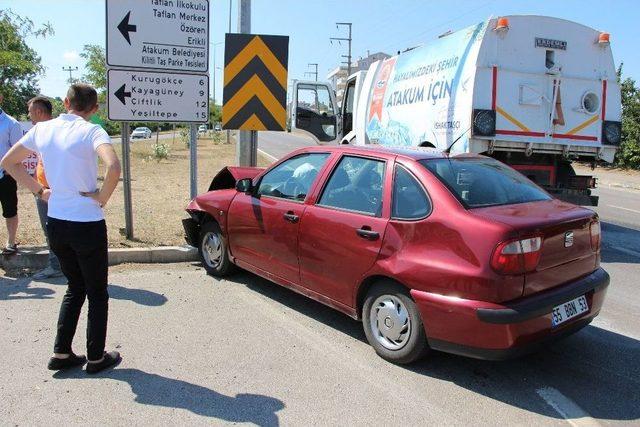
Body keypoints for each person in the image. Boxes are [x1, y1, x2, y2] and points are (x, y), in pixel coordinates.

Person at [1, 84, 122, 374]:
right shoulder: (92, 131)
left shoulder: (43, 129)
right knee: (97, 291)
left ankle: (62, 351)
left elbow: (8, 162)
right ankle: (95, 357)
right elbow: (114, 166)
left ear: (66, 102)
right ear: (94, 109)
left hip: (56, 221)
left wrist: (39, 190)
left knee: (74, 287)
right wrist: (101, 197)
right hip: (87, 223)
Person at [27, 96, 63, 279]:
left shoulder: (45, 131)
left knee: (52, 230)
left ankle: (56, 266)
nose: (29, 116)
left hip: (49, 191)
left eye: (30, 112)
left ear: (39, 112)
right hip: (45, 188)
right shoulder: (53, 130)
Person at [0, 95, 23, 255]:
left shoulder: (11, 123)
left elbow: (19, 150)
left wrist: (10, 170)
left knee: (10, 210)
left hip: (5, 176)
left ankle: (11, 242)